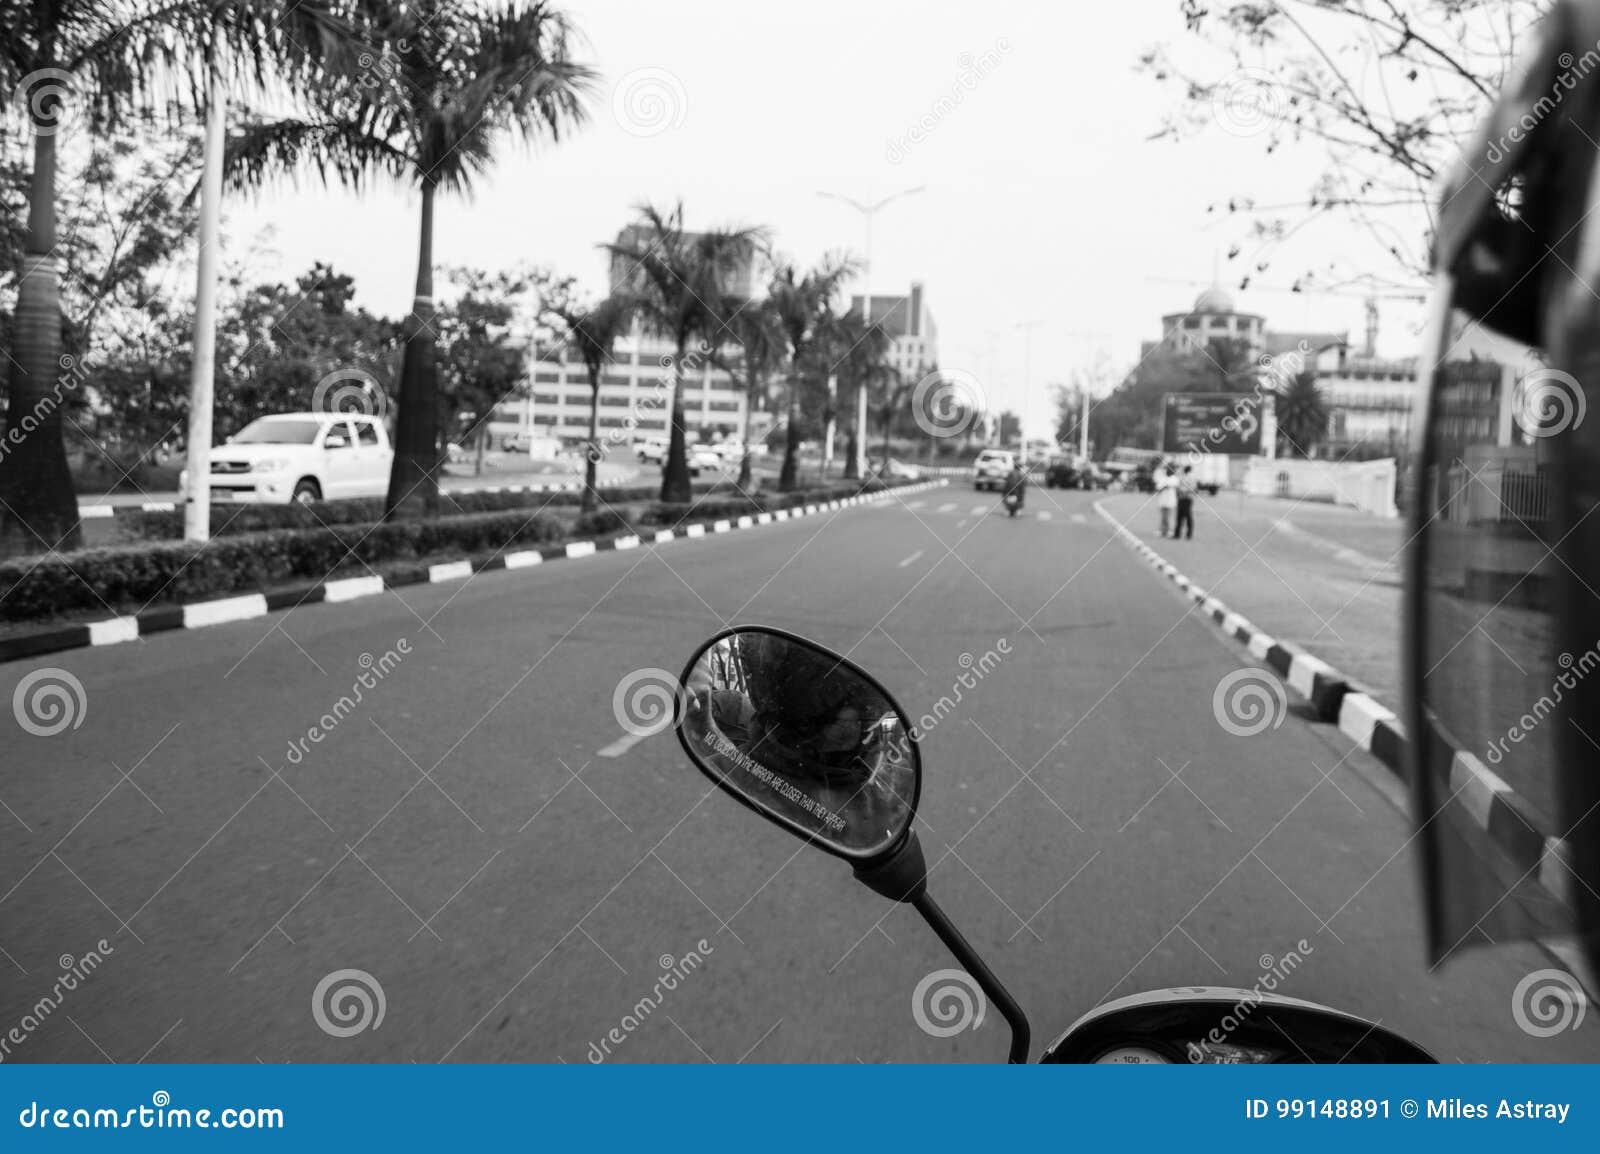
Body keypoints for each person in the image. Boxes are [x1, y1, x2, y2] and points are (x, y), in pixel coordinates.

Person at [1173, 466, 1196, 540]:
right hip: (1181, 499)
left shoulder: (1191, 477)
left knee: (1188, 516)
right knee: (1179, 516)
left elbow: (1192, 487)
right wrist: (1179, 491)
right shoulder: (1181, 477)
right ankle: (1177, 534)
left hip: (1187, 499)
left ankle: (1189, 534)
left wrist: (1183, 490)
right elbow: (1177, 486)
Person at [1155, 465, 1176, 536]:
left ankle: (1169, 530)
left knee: (1169, 517)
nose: (1168, 471)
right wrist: (1164, 487)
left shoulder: (1174, 478)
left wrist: (1164, 486)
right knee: (1163, 517)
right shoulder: (1162, 478)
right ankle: (1162, 530)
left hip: (1170, 501)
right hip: (1162, 500)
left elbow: (1170, 485)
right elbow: (1158, 488)